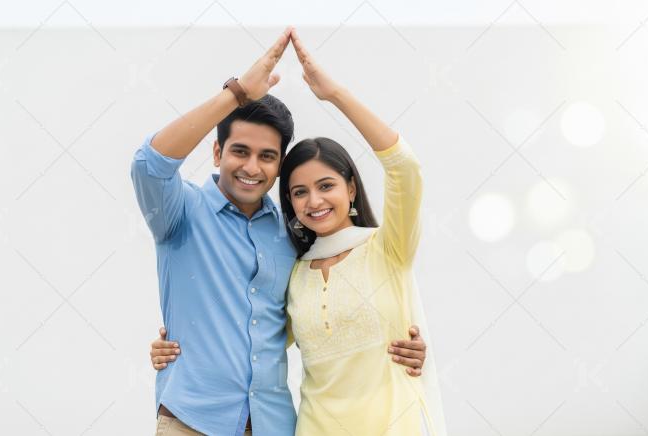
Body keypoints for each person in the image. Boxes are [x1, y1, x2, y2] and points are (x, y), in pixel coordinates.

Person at [145, 28, 446, 435]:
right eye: (300, 192)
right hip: (204, 420)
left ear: (351, 188)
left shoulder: (342, 247)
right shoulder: (185, 213)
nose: (253, 167)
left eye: (267, 157)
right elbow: (151, 164)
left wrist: (335, 93)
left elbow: (404, 169)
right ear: (217, 153)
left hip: (290, 425)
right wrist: (234, 95)